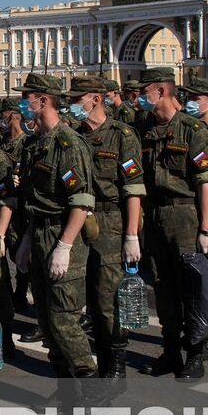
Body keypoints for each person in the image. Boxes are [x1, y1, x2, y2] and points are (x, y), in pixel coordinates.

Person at [134, 67, 208, 379]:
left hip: (184, 214)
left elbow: (205, 182)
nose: (140, 98)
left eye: (145, 92)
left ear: (161, 91)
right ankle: (170, 351)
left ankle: (195, 353)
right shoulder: (146, 127)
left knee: (190, 289)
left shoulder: (192, 130)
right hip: (155, 214)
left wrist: (206, 228)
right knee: (163, 287)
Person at [13, 75, 95, 391]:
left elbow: (82, 201)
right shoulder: (35, 146)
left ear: (44, 101)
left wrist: (65, 245)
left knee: (64, 321)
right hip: (40, 233)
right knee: (47, 322)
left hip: (63, 233)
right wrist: (26, 242)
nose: (24, 104)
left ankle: (90, 386)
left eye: (28, 98)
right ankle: (67, 389)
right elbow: (35, 201)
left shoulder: (69, 144)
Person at [69, 74, 145, 380]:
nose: (72, 105)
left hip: (110, 221)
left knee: (107, 298)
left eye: (77, 100)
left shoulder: (122, 135)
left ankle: (115, 364)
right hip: (80, 219)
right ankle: (99, 360)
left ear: (95, 99)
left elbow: (134, 188)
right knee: (86, 295)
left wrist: (131, 236)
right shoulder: (74, 135)